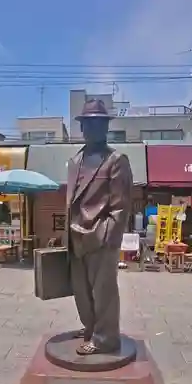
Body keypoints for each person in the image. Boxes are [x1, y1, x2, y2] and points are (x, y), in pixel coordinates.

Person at [66, 99, 133, 355]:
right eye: (88, 123)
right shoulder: (75, 161)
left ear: (106, 126)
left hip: (100, 236)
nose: (92, 128)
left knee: (103, 292)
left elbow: (121, 206)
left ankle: (106, 338)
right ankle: (90, 328)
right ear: (82, 127)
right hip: (75, 236)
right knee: (81, 292)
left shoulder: (116, 160)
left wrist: (108, 236)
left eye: (98, 122)